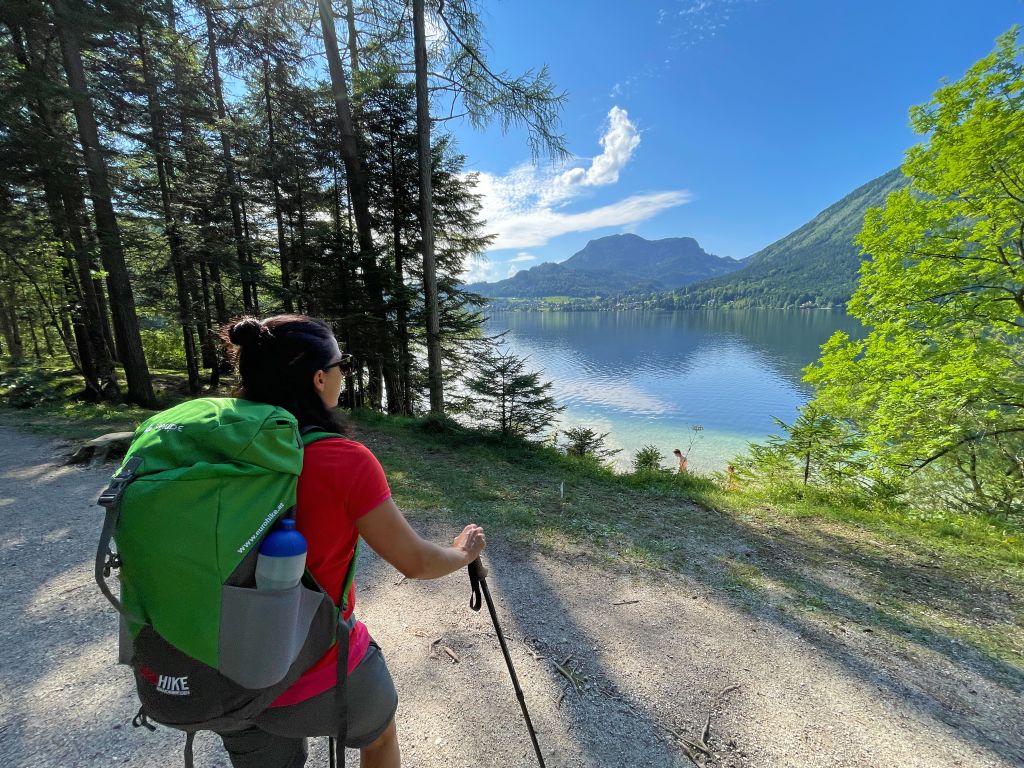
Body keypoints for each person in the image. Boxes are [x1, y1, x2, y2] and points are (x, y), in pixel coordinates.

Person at [218, 314, 486, 768]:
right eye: (343, 364)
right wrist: (463, 552)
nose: (344, 374)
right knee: (378, 736)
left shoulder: (214, 442)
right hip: (311, 664)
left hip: (217, 664)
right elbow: (417, 563)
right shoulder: (342, 460)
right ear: (319, 377)